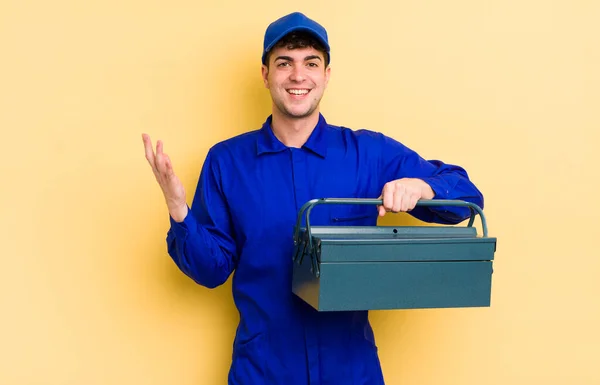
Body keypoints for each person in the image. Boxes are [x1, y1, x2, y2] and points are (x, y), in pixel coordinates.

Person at [142, 11, 484, 385]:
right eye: (284, 62)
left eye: (311, 62)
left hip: (351, 372)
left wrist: (423, 189)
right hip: (263, 371)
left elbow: (465, 194)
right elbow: (211, 271)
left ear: (326, 75)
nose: (298, 75)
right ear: (265, 74)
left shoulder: (367, 153)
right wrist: (179, 211)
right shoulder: (227, 162)